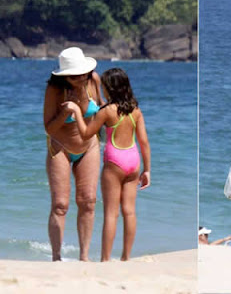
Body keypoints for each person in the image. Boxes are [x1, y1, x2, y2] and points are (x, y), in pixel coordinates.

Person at [63, 68, 151, 261]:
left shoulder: (106, 112)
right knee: (129, 212)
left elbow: (86, 133)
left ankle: (105, 259)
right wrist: (147, 170)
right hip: (133, 160)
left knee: (111, 214)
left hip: (114, 162)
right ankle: (126, 257)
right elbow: (144, 142)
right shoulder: (136, 110)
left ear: (110, 88)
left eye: (103, 86)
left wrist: (77, 112)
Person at [44, 47, 104, 261]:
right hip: (60, 147)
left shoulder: (94, 80)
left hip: (89, 147)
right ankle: (56, 257)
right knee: (60, 205)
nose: (79, 78)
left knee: (88, 201)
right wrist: (65, 112)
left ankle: (84, 257)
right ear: (65, 76)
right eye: (74, 76)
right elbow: (49, 128)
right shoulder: (54, 89)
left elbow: (102, 110)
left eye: (82, 74)